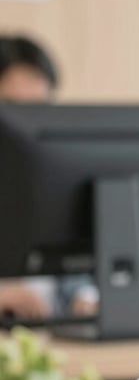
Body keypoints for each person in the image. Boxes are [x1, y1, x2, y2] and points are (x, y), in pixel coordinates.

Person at [0, 34, 98, 319]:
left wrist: (85, 299)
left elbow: (80, 272)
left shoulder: (58, 181)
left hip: (55, 343)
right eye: (13, 109)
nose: (25, 126)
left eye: (39, 110)